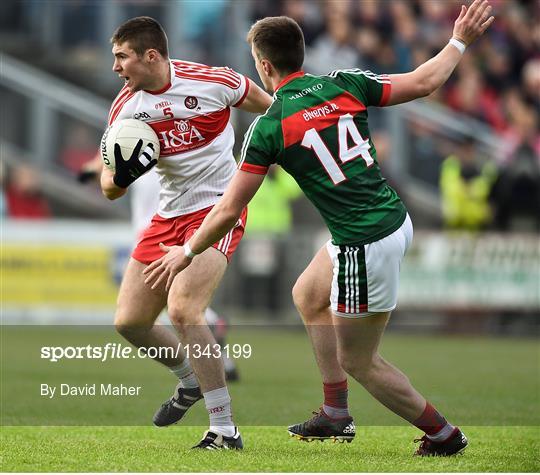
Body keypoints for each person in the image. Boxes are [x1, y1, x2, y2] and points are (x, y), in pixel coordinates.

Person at [143, 1, 494, 456]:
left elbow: (229, 209)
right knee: (308, 293)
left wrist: (185, 252)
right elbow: (426, 81)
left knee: (359, 360)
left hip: (363, 242)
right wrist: (459, 40)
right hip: (390, 218)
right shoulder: (344, 82)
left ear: (263, 65)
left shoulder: (270, 126)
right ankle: (335, 413)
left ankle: (443, 434)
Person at [100, 16, 272, 449]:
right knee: (130, 322)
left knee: (184, 309)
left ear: (151, 55)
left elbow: (275, 111)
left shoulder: (215, 82)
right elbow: (108, 187)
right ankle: (190, 380)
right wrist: (124, 173)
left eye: (122, 57)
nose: (116, 67)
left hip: (218, 210)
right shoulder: (126, 108)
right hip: (168, 215)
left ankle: (224, 430)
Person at [79, 160, 240, 381]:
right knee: (165, 305)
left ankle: (208, 360)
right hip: (157, 229)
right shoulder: (138, 138)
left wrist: (92, 170)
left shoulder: (164, 150)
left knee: (176, 305)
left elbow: (107, 155)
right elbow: (108, 154)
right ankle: (213, 346)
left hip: (164, 229)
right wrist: (95, 171)